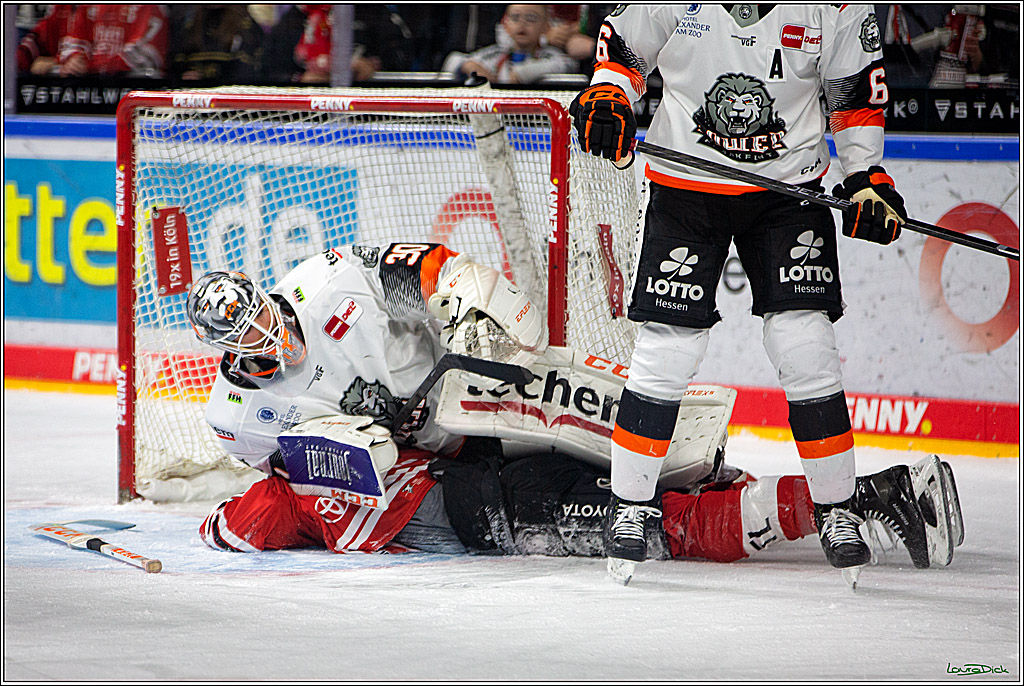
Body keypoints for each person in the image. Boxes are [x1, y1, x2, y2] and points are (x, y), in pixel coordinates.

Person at [185, 244, 958, 583]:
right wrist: (238, 514)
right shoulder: (240, 417)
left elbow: (417, 268)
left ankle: (847, 498)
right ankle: (855, 499)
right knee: (643, 514)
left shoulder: (322, 283)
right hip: (452, 499)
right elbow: (262, 509)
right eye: (254, 341)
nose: (274, 337)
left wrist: (464, 299)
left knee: (641, 452)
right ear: (230, 354)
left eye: (268, 317)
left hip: (466, 408)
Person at [569, 5, 910, 582]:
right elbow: (623, 52)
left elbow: (854, 93)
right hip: (684, 189)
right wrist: (610, 97)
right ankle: (629, 508)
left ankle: (837, 509)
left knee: (807, 347)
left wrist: (865, 176)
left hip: (788, 191)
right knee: (667, 348)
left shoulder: (837, 7)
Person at [445, 4, 575, 85]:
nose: (522, 23)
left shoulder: (552, 55)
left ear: (546, 25)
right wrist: (468, 65)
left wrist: (522, 74)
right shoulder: (496, 54)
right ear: (505, 24)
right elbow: (452, 60)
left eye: (531, 17)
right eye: (515, 17)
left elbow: (568, 65)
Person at [59, 4, 168, 77]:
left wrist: (94, 66)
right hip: (93, 83)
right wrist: (75, 58)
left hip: (134, 84)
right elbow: (75, 40)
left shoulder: (152, 6)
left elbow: (148, 54)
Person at [167, 5, 265, 83]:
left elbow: (245, 73)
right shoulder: (187, 24)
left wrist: (206, 81)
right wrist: (184, 76)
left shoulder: (245, 27)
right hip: (192, 96)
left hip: (227, 97)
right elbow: (175, 66)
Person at [16, 4, 75, 76]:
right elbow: (37, 40)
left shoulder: (89, 11)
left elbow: (84, 59)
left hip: (82, 80)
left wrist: (56, 62)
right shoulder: (60, 9)